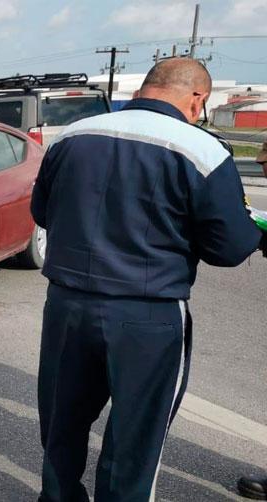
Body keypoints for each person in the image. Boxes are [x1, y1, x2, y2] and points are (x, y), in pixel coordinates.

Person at [31, 58, 266, 501]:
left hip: (65, 304)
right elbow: (230, 248)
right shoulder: (203, 150)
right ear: (197, 98)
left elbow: (43, 212)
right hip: (147, 312)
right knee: (136, 435)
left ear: (145, 88)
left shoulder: (73, 135)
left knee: (63, 420)